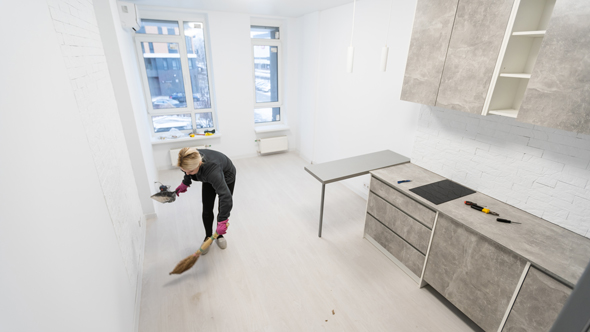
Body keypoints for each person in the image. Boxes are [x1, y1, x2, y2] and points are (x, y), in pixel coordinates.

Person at [175, 147, 236, 255]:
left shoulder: (212, 170)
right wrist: (186, 181)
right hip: (208, 175)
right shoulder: (187, 158)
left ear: (199, 163)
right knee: (207, 208)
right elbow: (188, 171)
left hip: (226, 175)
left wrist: (223, 220)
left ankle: (219, 235)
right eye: (185, 171)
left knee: (222, 207)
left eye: (191, 171)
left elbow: (225, 197)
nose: (188, 173)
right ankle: (208, 237)